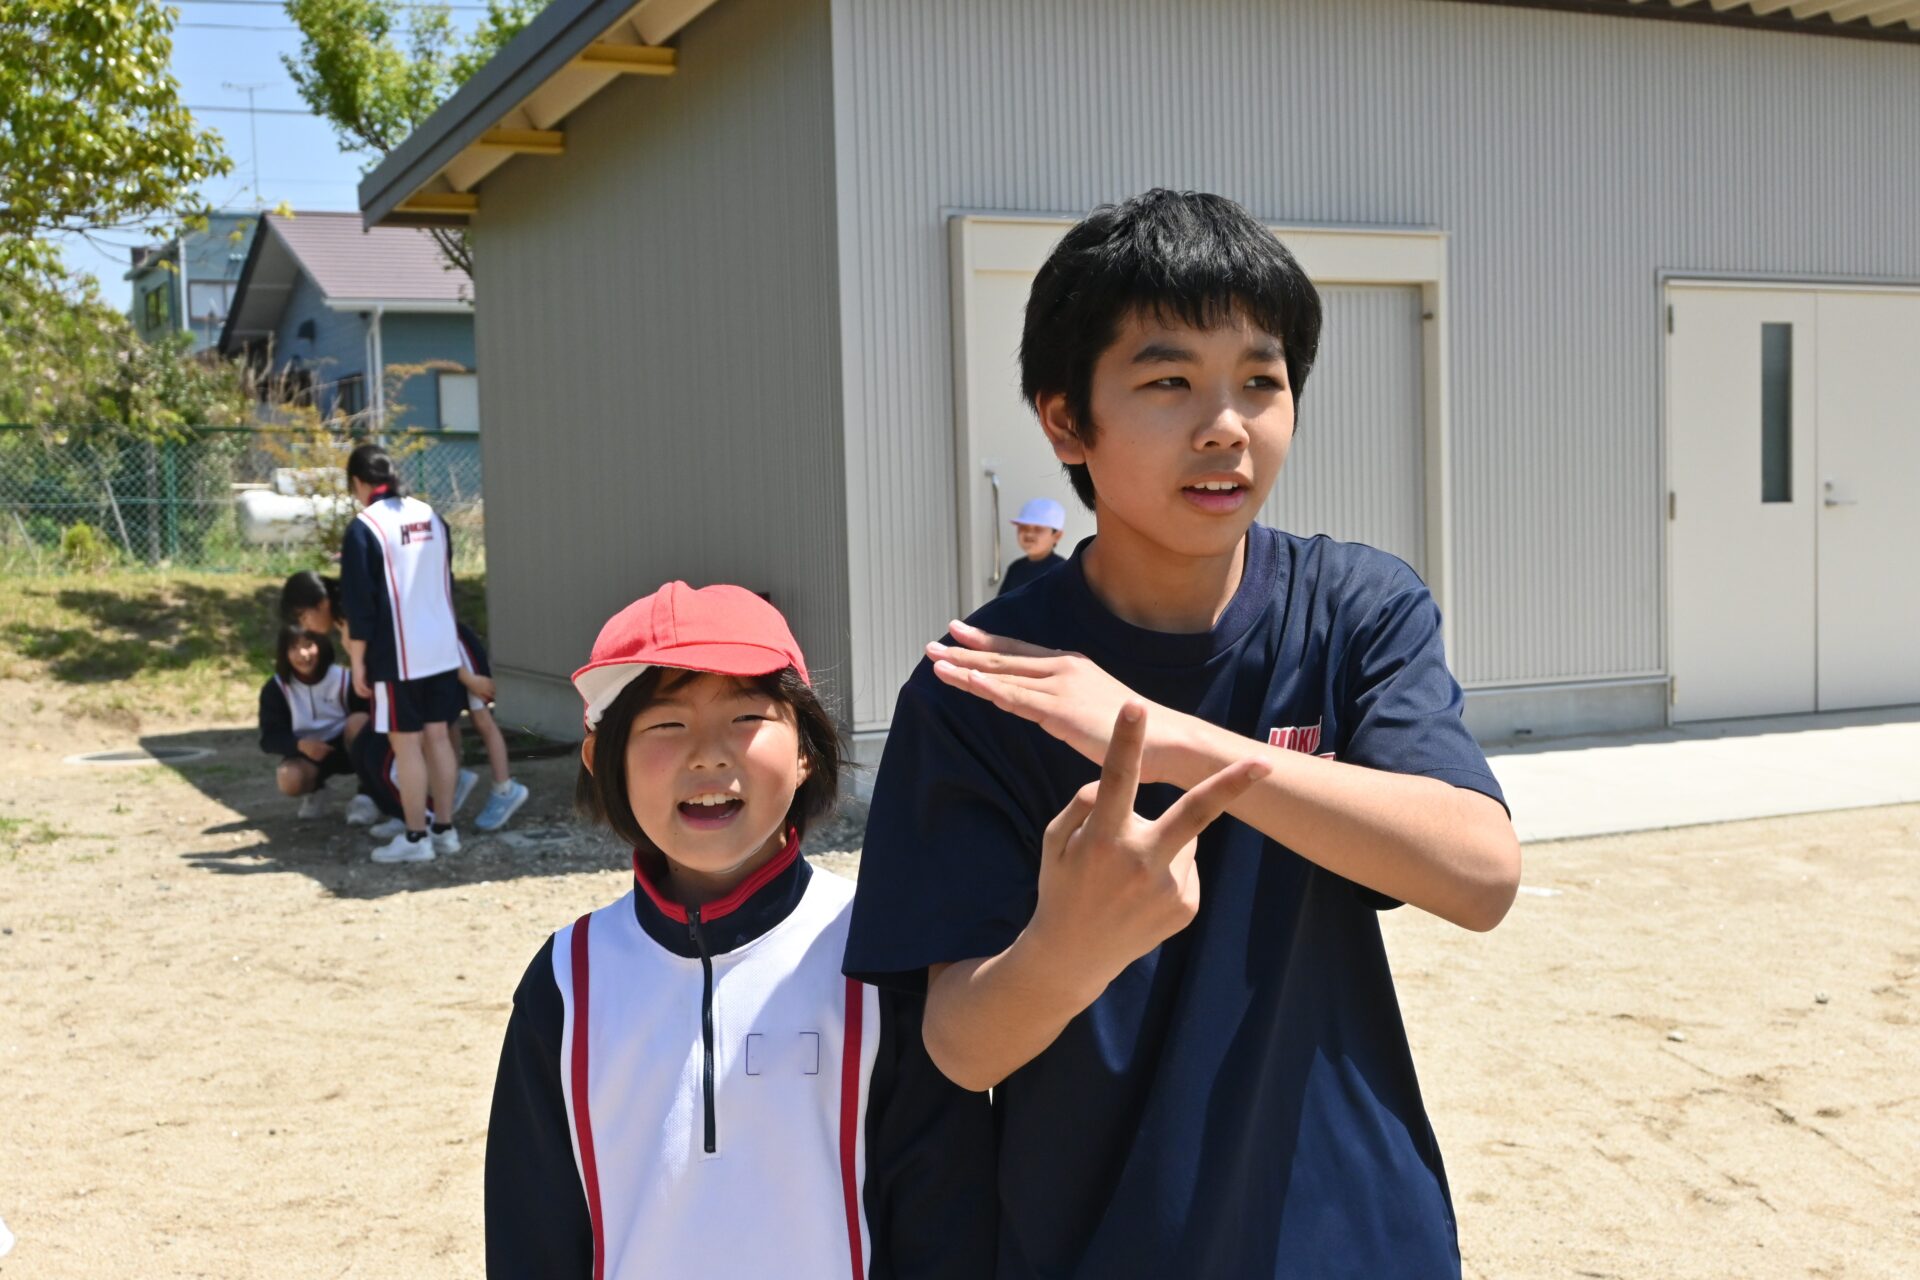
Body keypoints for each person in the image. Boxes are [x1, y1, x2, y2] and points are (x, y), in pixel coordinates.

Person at [844, 190, 1522, 1278]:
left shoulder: (1354, 610)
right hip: (1103, 1242)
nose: (1226, 425)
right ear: (1067, 421)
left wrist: (1171, 740)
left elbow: (1480, 873)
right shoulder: (983, 687)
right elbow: (960, 1046)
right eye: (1169, 382)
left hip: (1354, 1237)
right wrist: (1072, 942)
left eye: (1261, 381)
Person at [484, 582, 994, 1279]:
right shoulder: (568, 981)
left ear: (807, 749)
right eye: (666, 724)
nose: (708, 755)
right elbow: (530, 1236)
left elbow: (947, 1221)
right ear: (602, 760)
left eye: (746, 716)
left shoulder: (879, 954)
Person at [338, 443, 466, 864]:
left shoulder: (365, 527)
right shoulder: (431, 516)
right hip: (442, 648)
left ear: (358, 482)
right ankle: (445, 830)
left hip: (398, 655)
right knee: (439, 738)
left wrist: (358, 660)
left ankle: (416, 837)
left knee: (407, 745)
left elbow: (360, 604)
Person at [258, 625, 365, 819]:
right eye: (293, 648)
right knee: (289, 779)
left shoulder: (344, 679)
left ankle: (367, 795)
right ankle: (316, 790)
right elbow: (269, 738)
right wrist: (300, 745)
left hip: (347, 746)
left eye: (308, 645)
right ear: (284, 653)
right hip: (307, 752)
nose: (303, 654)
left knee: (360, 722)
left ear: (321, 645)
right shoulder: (276, 688)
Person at [454, 621, 530, 833]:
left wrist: (469, 678)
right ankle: (454, 777)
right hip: (447, 652)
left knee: (482, 719)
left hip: (458, 653)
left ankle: (504, 788)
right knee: (448, 719)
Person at [997, 496, 1068, 597]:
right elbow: (1001, 604)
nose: (1029, 534)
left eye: (1038, 529)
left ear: (1057, 535)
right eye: (1023, 527)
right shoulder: (1015, 568)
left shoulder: (1063, 571)